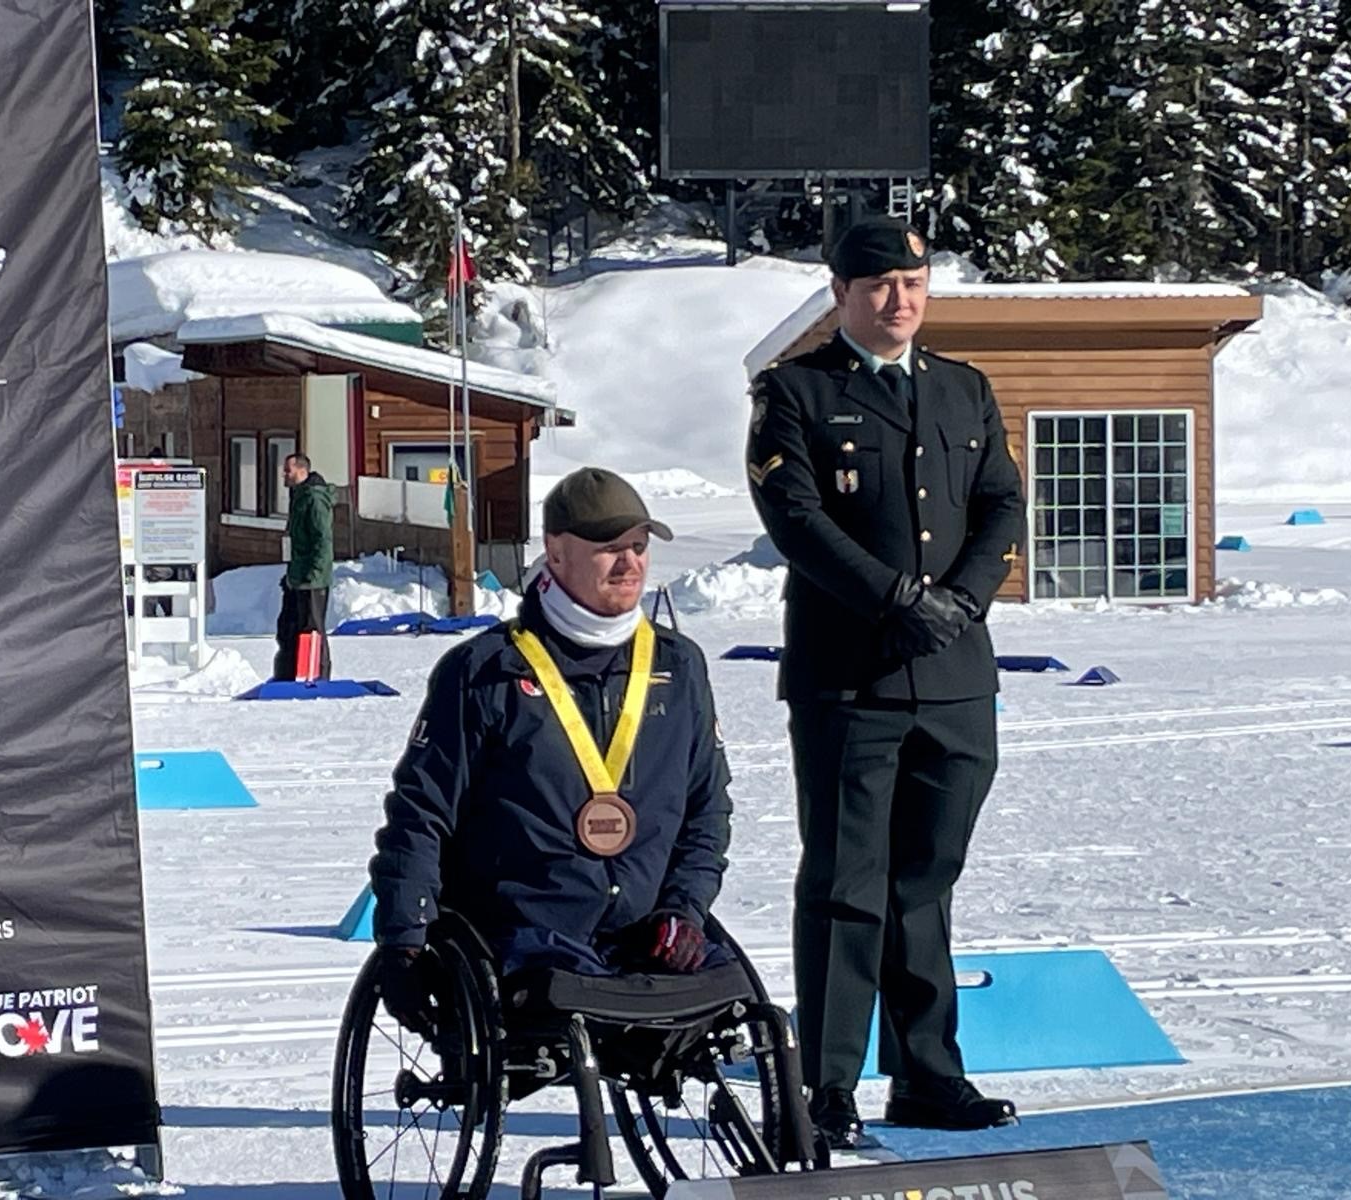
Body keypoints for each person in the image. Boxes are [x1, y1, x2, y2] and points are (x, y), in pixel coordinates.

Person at [745, 216, 1026, 1148]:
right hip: (850, 677)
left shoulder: (963, 388)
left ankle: (926, 1075)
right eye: (876, 286)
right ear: (839, 293)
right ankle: (823, 1087)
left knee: (926, 882)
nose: (896, 299)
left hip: (952, 677)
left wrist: (964, 600)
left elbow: (999, 503)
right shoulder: (795, 391)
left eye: (911, 282)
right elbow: (796, 518)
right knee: (844, 883)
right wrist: (895, 598)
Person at [369, 467, 734, 1026]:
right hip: (525, 935)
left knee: (750, 1012)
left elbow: (707, 809)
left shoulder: (678, 666)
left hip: (645, 929)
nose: (630, 563)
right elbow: (421, 814)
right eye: (610, 548)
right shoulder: (484, 671)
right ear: (556, 553)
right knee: (572, 1004)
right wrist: (404, 941)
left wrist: (683, 910)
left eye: (638, 547)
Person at [272, 453, 334, 681]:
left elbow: (322, 540)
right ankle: (287, 673)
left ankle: (318, 674)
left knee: (313, 626)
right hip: (296, 574)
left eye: (287, 470)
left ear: (301, 470)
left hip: (312, 578)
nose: (284, 475)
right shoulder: (297, 495)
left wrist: (314, 574)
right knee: (288, 625)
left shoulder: (314, 499)